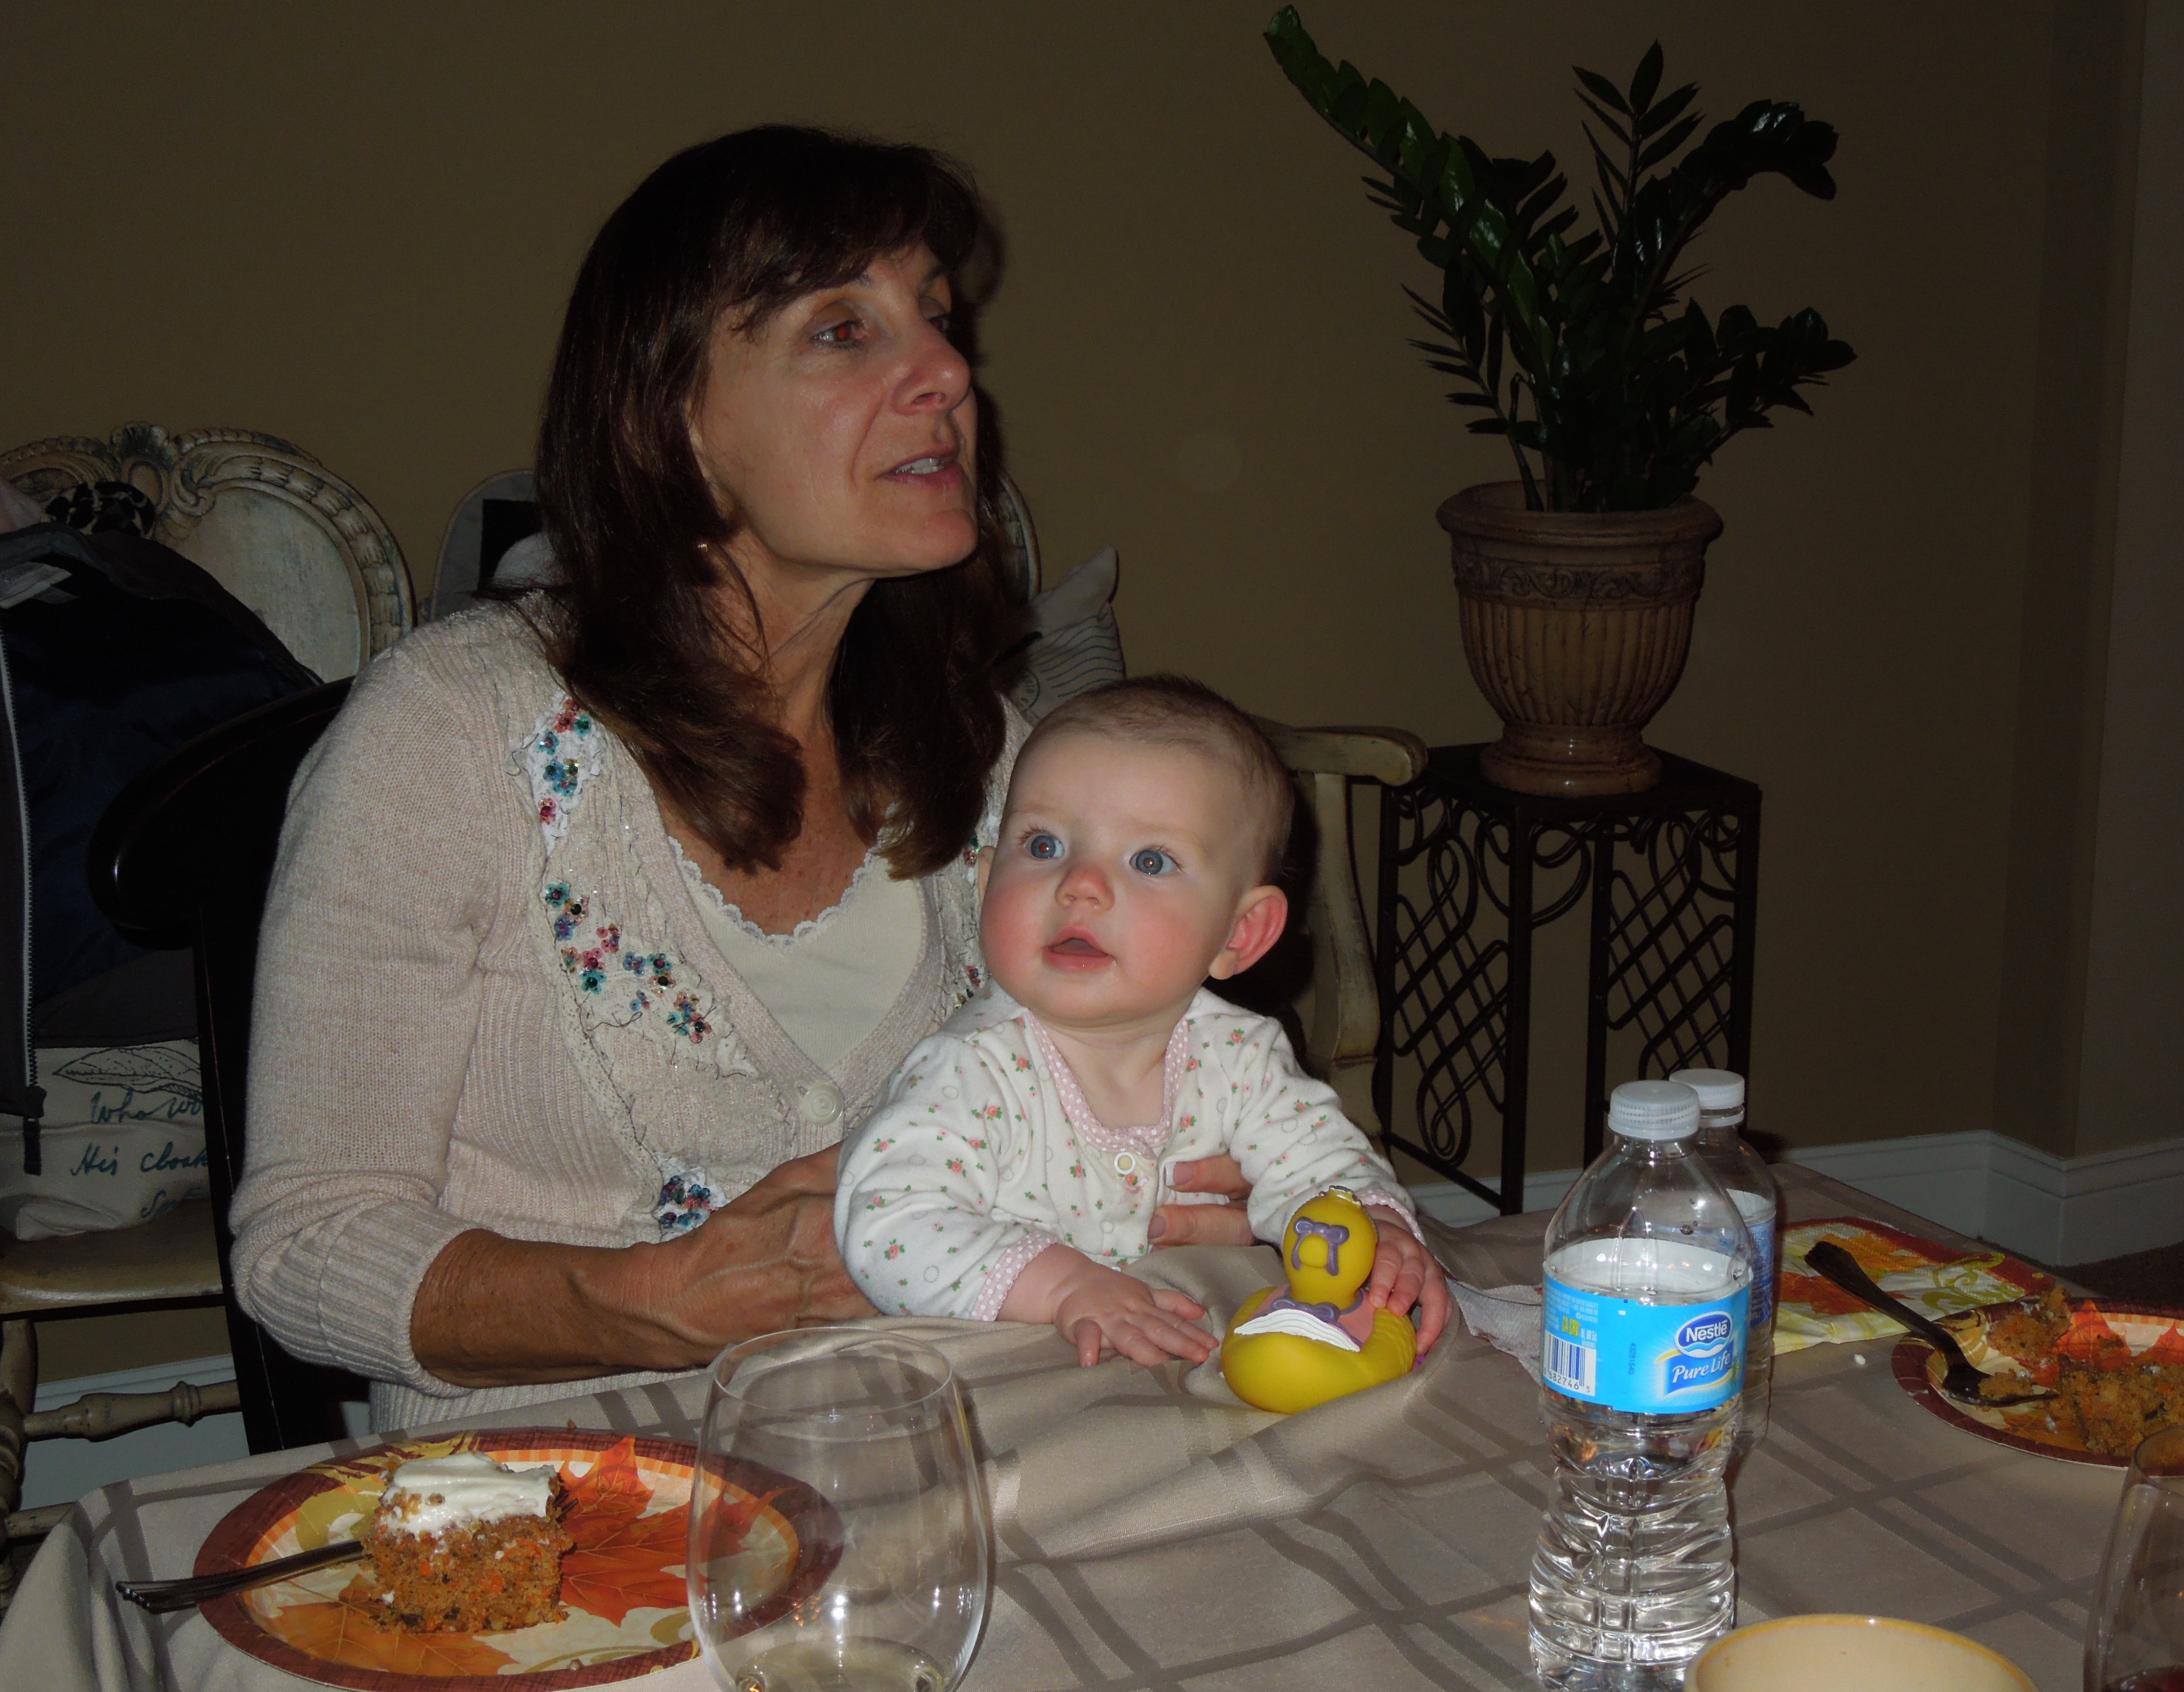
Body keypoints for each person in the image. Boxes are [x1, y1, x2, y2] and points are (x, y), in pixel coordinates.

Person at [228, 128, 1252, 1433]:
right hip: (567, 1512)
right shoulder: (447, 737)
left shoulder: (989, 754)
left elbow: (1067, 1126)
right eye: (843, 330)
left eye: (937, 320)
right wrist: (659, 1301)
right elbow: (304, 1249)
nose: (948, 372)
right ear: (674, 422)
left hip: (954, 1463)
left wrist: (1148, 1181)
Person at [836, 677, 1453, 1366]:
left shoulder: (1242, 1056)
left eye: (1149, 861)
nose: (1081, 885)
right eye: (1043, 847)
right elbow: (889, 1226)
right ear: (985, 884)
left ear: (1240, 933)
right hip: (1008, 1373)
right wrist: (1063, 1286)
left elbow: (1324, 1168)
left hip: (1185, 1356)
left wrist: (1375, 1228)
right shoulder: (969, 1071)